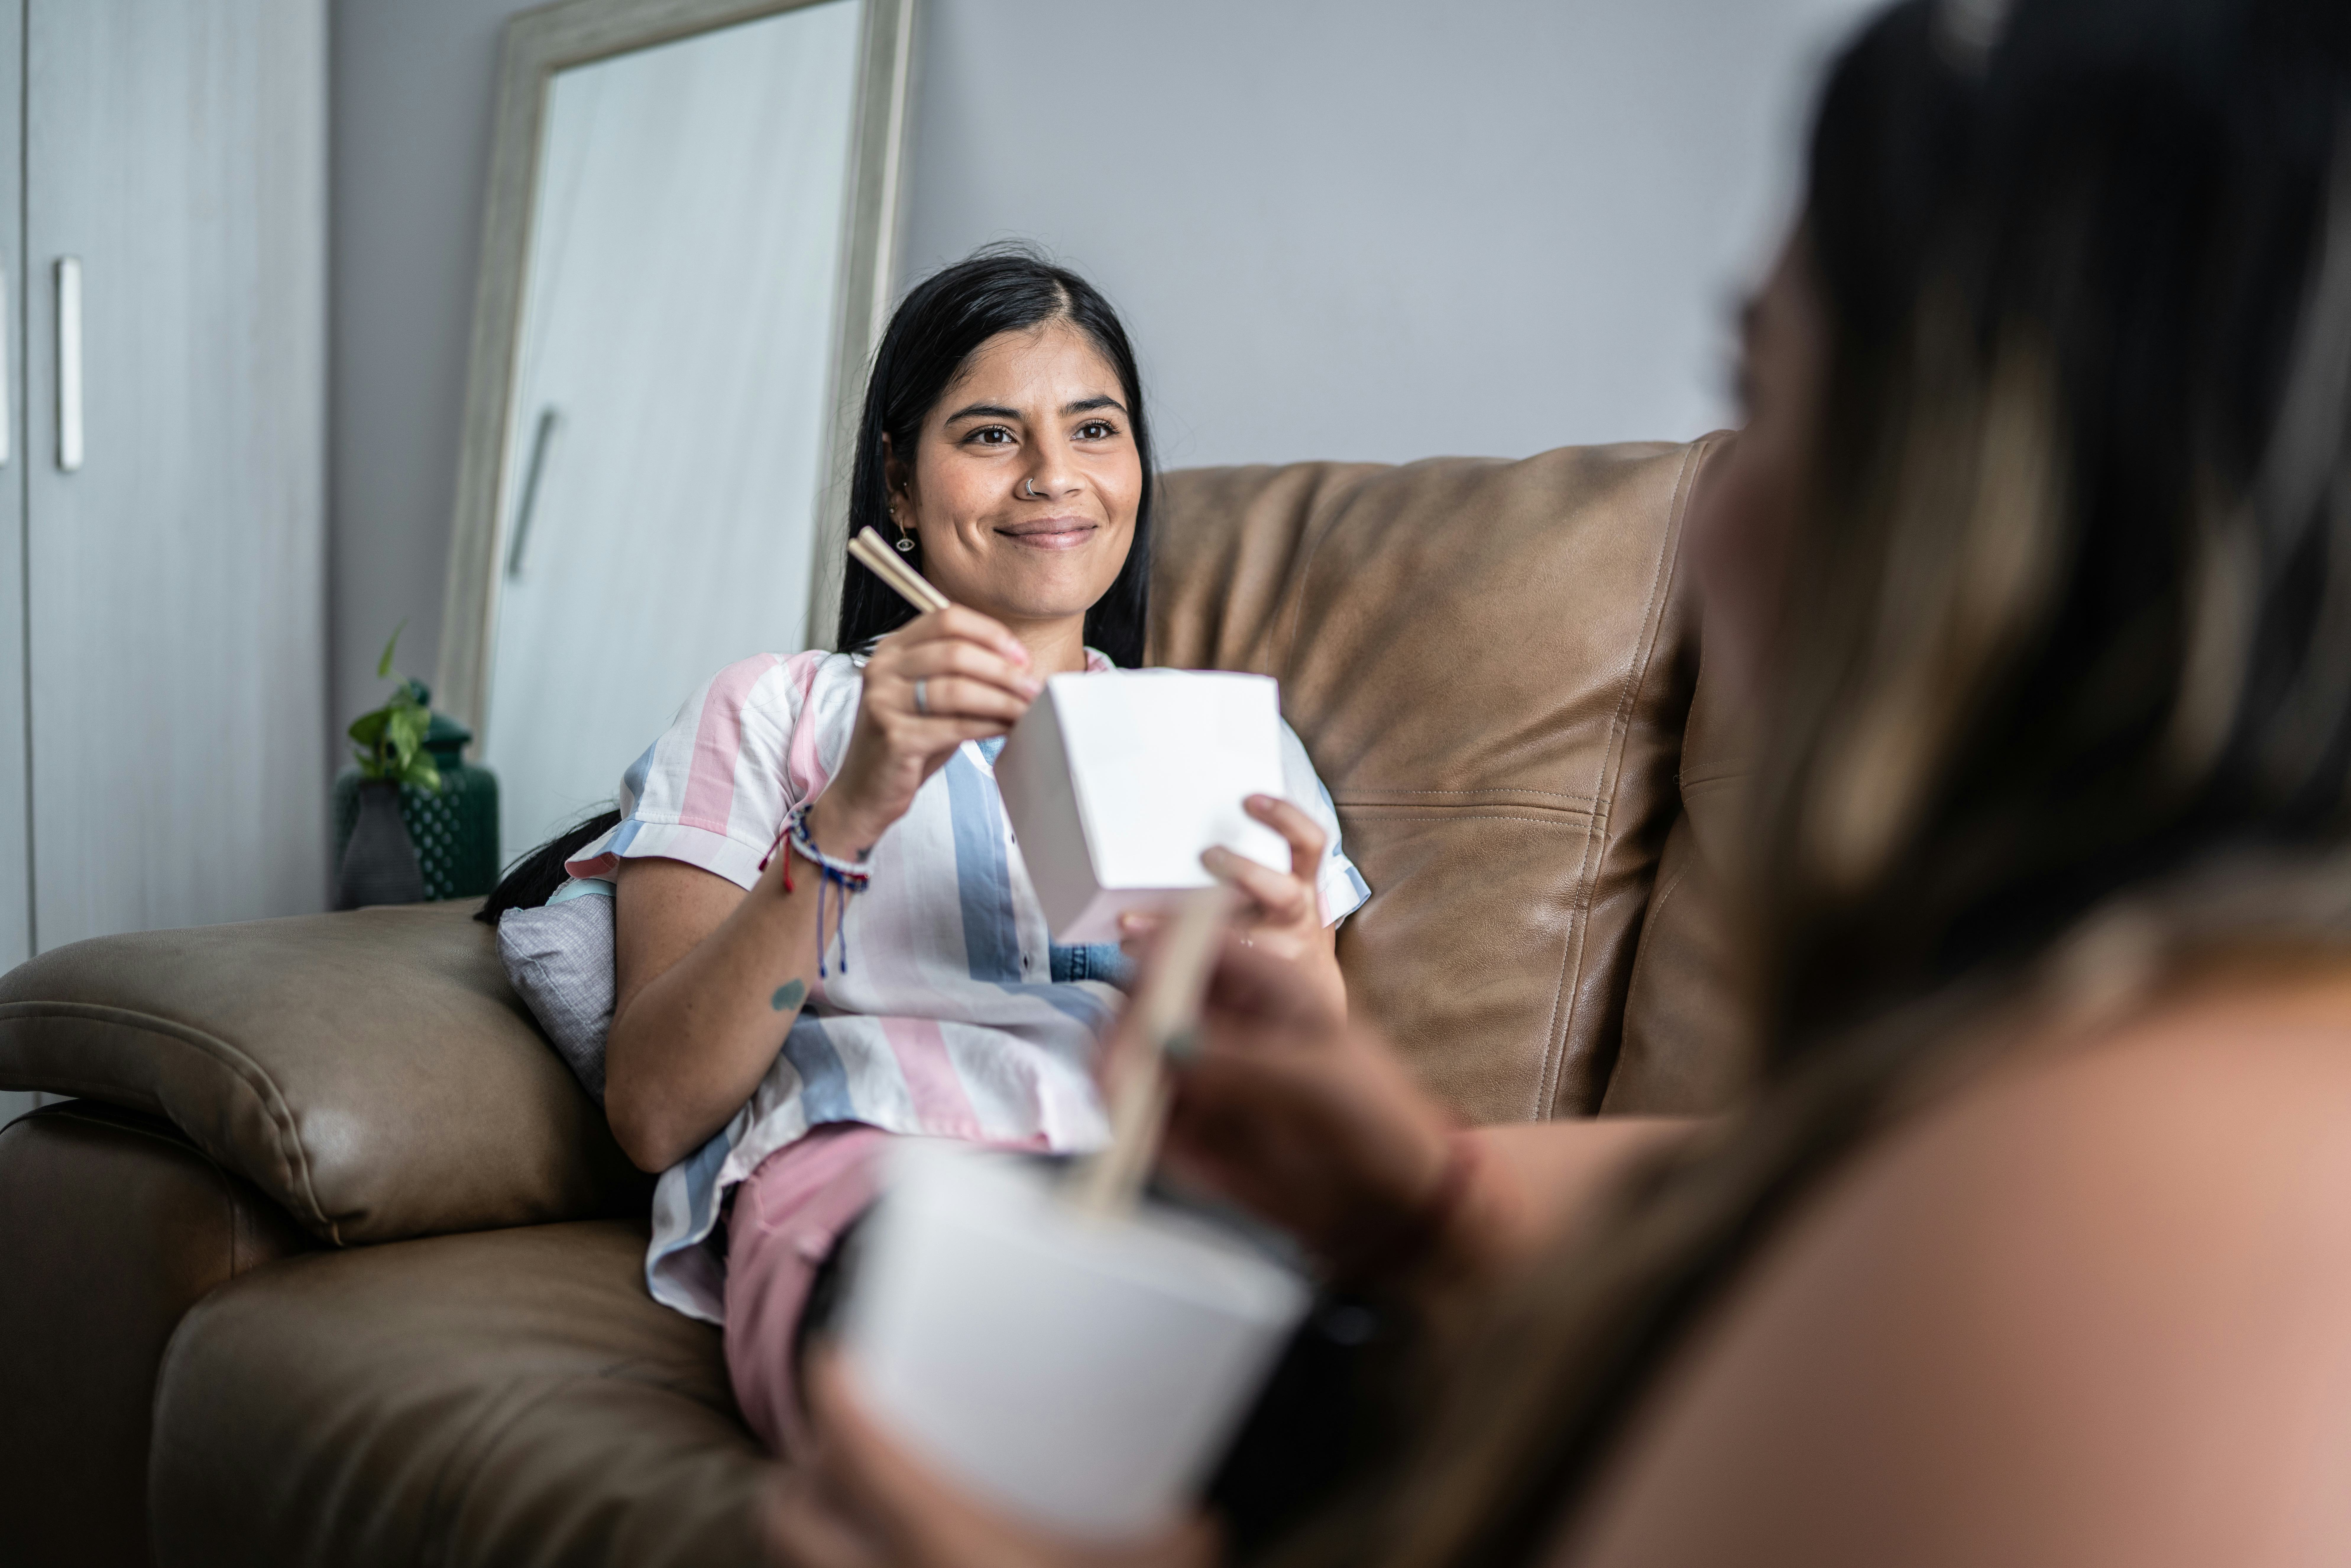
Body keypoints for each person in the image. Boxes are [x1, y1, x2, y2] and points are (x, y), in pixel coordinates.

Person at [764, 0, 2351, 1562]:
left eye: (1768, 398)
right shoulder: (2030, 1081)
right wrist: (1438, 1220)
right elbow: (1751, 1190)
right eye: (993, 436)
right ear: (902, 483)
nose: (1708, 513)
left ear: (2003, 514)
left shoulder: (2157, 1220)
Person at [550, 247, 1369, 1455]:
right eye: (991, 436)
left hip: (1161, 1198)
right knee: (1028, 1416)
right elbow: (656, 1109)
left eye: (1095, 429)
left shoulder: (1218, 741)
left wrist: (1293, 958)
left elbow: (1319, 1105)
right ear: (898, 477)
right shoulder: (774, 711)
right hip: (886, 1200)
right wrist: (849, 814)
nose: (1054, 477)